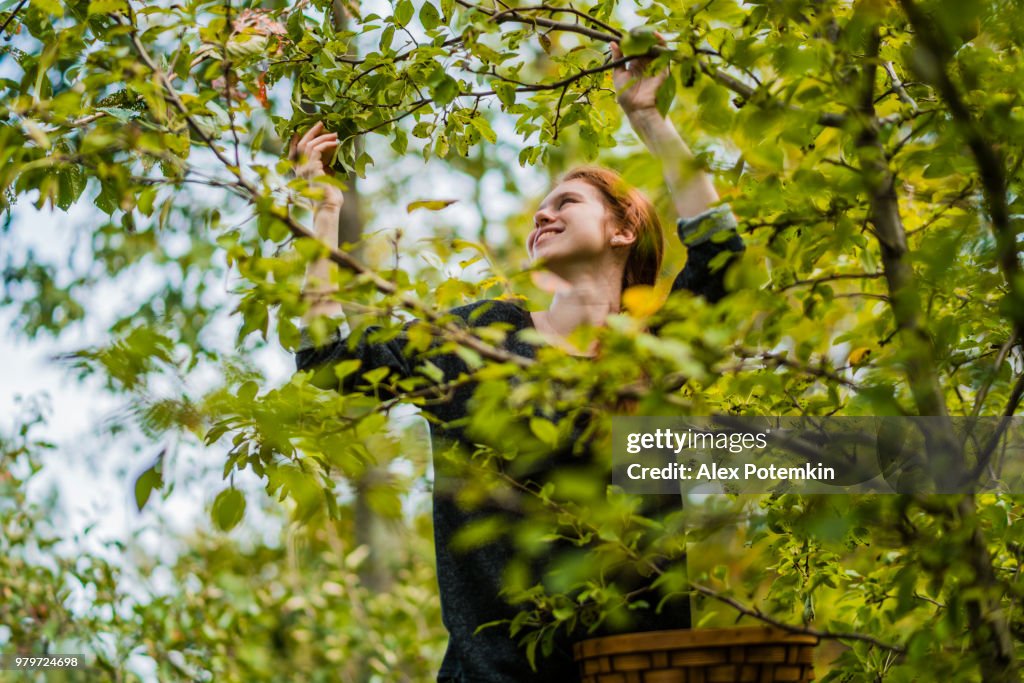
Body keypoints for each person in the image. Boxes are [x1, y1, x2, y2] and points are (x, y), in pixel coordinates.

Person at [291, 43, 744, 682]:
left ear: (623, 232)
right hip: (491, 677)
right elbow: (329, 367)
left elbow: (722, 253)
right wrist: (324, 211)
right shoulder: (481, 339)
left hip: (631, 671)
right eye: (541, 208)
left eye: (567, 203)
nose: (542, 214)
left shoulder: (653, 357)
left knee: (883, 454)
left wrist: (649, 119)